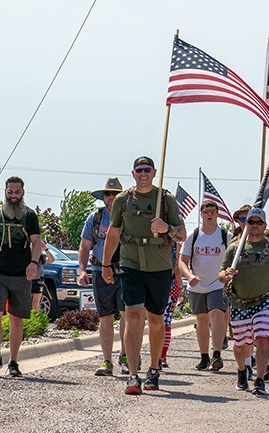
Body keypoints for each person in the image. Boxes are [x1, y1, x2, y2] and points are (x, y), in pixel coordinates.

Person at [102, 156, 186, 395]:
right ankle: (133, 374)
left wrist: (166, 229)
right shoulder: (123, 200)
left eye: (147, 169)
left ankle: (153, 369)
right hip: (130, 265)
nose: (143, 173)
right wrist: (106, 265)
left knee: (156, 320)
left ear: (154, 171)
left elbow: (182, 235)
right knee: (133, 315)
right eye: (139, 170)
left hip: (158, 267)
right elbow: (114, 234)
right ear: (133, 173)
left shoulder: (165, 200)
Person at [218, 207, 269, 396]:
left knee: (262, 337)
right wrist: (226, 275)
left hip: (265, 300)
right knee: (241, 344)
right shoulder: (235, 248)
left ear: (265, 226)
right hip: (239, 301)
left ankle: (259, 380)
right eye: (251, 222)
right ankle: (242, 370)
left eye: (259, 223)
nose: (255, 226)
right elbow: (221, 274)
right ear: (246, 225)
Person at [0, 176, 44, 377]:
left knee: (16, 318)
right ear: (5, 192)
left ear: (23, 192)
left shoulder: (29, 215)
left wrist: (33, 263)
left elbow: (36, 241)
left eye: (17, 192)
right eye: (10, 192)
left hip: (21, 274)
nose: (13, 195)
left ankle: (13, 361)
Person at [77, 177, 127, 377]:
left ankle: (125, 356)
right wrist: (82, 270)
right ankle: (107, 360)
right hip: (99, 272)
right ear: (103, 197)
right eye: (108, 194)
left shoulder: (130, 217)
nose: (111, 197)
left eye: (115, 194)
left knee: (127, 316)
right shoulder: (96, 218)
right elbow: (84, 245)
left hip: (125, 272)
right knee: (105, 317)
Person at [178, 200, 231, 372]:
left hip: (218, 283)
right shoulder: (193, 236)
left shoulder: (225, 236)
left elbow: (234, 257)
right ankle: (204, 357)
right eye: (206, 211)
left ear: (217, 214)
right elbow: (182, 261)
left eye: (213, 212)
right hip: (197, 285)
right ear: (201, 214)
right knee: (201, 320)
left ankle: (216, 354)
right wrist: (189, 275)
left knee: (216, 315)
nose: (209, 214)